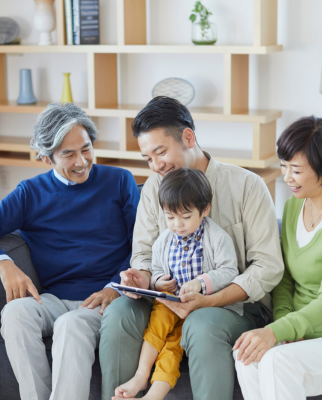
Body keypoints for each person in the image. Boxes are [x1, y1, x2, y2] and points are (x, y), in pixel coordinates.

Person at [100, 96, 285, 400]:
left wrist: (208, 301)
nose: (156, 165)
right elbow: (144, 255)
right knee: (121, 310)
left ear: (188, 137)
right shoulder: (154, 189)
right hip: (169, 300)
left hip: (235, 308)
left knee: (200, 322)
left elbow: (267, 268)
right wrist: (145, 280)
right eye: (148, 158)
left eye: (161, 152)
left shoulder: (247, 186)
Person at [0, 102, 140, 400]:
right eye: (68, 154)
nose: (81, 161)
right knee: (15, 313)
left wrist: (116, 287)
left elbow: (143, 245)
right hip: (56, 299)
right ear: (46, 157)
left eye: (86, 148)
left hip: (107, 300)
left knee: (71, 326)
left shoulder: (119, 181)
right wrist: (4, 264)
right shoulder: (30, 193)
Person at [113, 167, 240, 400]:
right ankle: (142, 374)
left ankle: (155, 394)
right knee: (157, 325)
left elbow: (229, 270)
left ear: (205, 210)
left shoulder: (217, 237)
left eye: (185, 216)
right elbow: (158, 268)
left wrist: (201, 282)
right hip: (170, 303)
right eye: (170, 217)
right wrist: (159, 281)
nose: (177, 224)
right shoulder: (164, 241)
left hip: (198, 308)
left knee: (173, 345)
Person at [233, 116, 322, 400]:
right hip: (301, 329)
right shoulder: (294, 207)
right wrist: (283, 327)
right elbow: (284, 277)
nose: (286, 178)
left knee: (276, 359)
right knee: (247, 354)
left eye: (296, 170)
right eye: (283, 166)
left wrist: (281, 330)